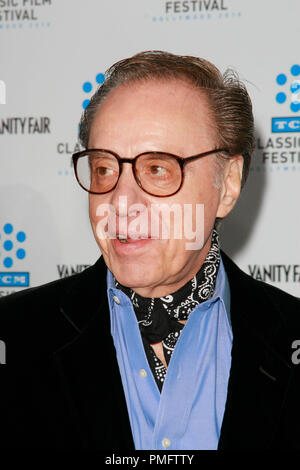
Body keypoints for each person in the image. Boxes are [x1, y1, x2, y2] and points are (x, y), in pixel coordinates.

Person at [1, 50, 300, 450]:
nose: (121, 202)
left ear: (227, 184)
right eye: (104, 168)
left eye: (158, 169)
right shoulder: (12, 337)